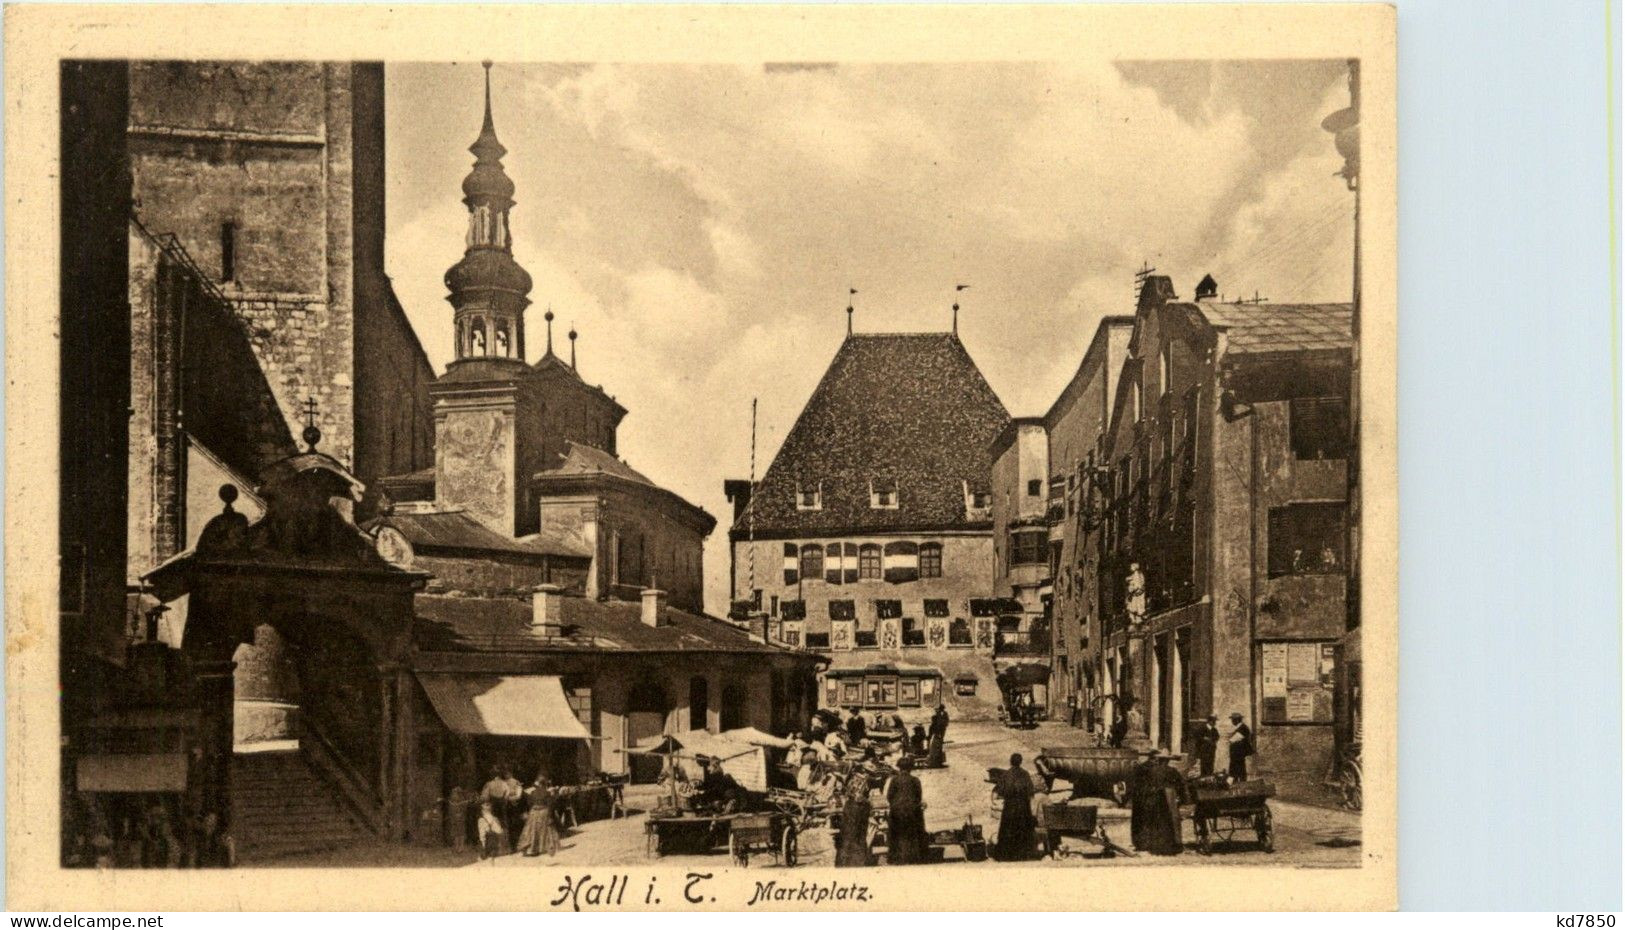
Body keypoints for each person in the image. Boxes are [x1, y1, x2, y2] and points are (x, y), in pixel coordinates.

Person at [1129, 749, 1186, 855]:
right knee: (1172, 820)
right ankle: (1174, 844)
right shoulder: (1172, 771)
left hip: (1155, 797)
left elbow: (1148, 785)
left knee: (1156, 821)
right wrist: (1182, 799)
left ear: (1159, 760)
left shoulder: (1152, 770)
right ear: (1167, 761)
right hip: (1169, 797)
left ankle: (1155, 845)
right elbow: (1181, 785)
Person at [992, 753, 1039, 861]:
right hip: (1023, 808)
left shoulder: (1006, 774)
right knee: (1022, 830)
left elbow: (999, 790)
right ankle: (1022, 854)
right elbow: (1030, 793)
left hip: (1010, 807)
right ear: (1021, 761)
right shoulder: (1025, 774)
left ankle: (1007, 855)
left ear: (1010, 761)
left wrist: (994, 801)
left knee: (1008, 830)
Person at [883, 756, 928, 865]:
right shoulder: (915, 780)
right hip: (912, 812)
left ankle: (896, 858)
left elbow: (889, 797)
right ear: (910, 768)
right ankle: (915, 857)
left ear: (899, 768)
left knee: (896, 834)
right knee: (915, 831)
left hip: (897, 811)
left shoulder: (894, 780)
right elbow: (918, 797)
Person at [835, 759, 876, 867]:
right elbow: (865, 798)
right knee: (860, 835)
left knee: (847, 834)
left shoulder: (852, 778)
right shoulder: (869, 780)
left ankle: (843, 861)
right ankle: (858, 861)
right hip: (860, 809)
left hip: (849, 807)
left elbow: (845, 791)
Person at [516, 773, 560, 857]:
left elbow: (530, 803)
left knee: (531, 831)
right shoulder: (547, 793)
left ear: (538, 784)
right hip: (544, 812)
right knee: (546, 830)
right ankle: (545, 848)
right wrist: (550, 816)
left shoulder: (533, 792)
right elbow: (550, 805)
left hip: (534, 812)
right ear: (544, 784)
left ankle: (530, 848)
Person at [1227, 712, 1255, 781]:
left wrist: (1230, 738)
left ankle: (1240, 783)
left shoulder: (1243, 728)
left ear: (1237, 720)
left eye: (1233, 720)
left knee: (1239, 768)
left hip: (1239, 753)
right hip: (1236, 753)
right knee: (1237, 768)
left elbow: (1232, 740)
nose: (1232, 721)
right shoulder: (1239, 727)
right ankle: (1236, 781)